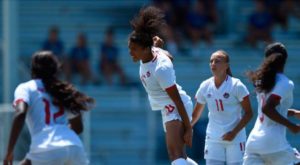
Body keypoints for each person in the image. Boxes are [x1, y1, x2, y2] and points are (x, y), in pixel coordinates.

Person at [128, 6, 197, 165]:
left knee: (175, 155)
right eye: (130, 48)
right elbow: (169, 56)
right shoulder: (153, 53)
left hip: (175, 106)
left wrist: (189, 129)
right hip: (168, 106)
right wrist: (160, 48)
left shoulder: (160, 70)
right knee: (180, 156)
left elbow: (178, 100)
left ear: (146, 49)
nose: (131, 53)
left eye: (134, 49)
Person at [3, 51, 94, 165]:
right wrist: (62, 136)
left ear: (33, 69)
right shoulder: (62, 89)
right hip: (75, 147)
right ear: (55, 69)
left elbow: (20, 113)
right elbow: (78, 127)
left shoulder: (26, 88)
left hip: (46, 146)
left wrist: (9, 151)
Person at [191, 50, 253, 165]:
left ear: (226, 65)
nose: (213, 64)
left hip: (236, 138)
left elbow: (249, 113)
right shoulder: (205, 86)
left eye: (217, 61)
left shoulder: (237, 85)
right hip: (213, 137)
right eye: (211, 61)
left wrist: (234, 133)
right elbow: (195, 114)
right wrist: (187, 129)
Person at [244, 42, 300, 165]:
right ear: (285, 60)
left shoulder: (262, 80)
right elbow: (267, 109)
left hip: (254, 143)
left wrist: (293, 113)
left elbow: (270, 109)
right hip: (275, 145)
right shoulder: (285, 83)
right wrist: (292, 126)